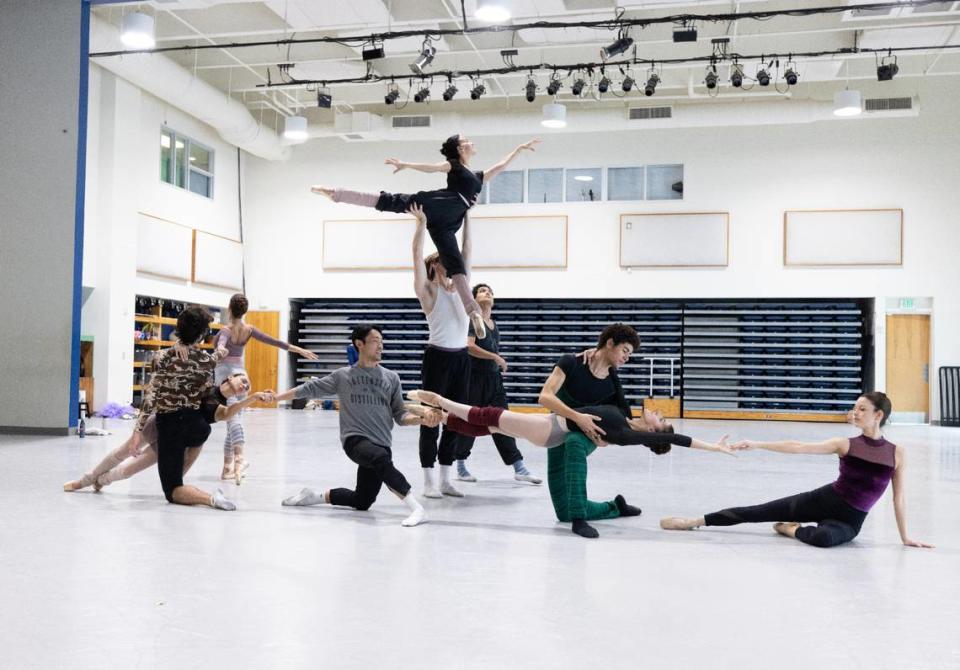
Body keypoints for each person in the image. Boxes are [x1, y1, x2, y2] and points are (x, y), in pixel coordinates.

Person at [311, 135, 540, 337]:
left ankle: (473, 313)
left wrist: (518, 149)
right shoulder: (455, 166)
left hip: (450, 220)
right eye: (466, 140)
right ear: (460, 149)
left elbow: (499, 167)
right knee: (396, 201)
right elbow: (433, 168)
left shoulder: (477, 175)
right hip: (444, 205)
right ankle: (337, 193)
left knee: (455, 264)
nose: (471, 142)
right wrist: (406, 164)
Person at [660, 392, 935, 549]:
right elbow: (799, 446)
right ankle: (694, 521)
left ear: (879, 415)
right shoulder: (845, 444)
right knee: (757, 511)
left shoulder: (896, 453)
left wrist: (905, 537)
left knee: (824, 539)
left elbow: (898, 498)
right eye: (855, 409)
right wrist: (758, 443)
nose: (855, 413)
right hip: (825, 499)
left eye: (862, 409)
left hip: (851, 520)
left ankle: (790, 530)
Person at [272, 325, 440, 527]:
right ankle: (417, 509)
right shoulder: (343, 376)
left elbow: (400, 414)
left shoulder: (391, 378)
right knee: (380, 459)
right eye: (375, 341)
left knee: (362, 501)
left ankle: (314, 496)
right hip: (355, 440)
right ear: (359, 344)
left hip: (381, 444)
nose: (381, 345)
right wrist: (276, 397)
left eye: (382, 341)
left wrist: (420, 420)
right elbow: (309, 388)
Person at [62, 374, 269, 492]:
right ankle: (86, 480)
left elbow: (231, 412)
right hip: (161, 422)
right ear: (231, 376)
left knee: (130, 469)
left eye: (246, 387)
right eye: (243, 379)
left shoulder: (221, 410)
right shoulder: (205, 383)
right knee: (123, 451)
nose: (244, 384)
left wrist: (253, 398)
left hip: (174, 439)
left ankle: (101, 482)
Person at [537, 324, 643, 539]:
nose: (627, 358)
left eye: (630, 354)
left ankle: (580, 521)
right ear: (610, 343)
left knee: (575, 443)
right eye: (625, 350)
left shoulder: (613, 382)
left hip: (587, 434)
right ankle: (615, 507)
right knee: (563, 512)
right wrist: (577, 417)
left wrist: (606, 439)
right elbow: (545, 397)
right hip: (559, 429)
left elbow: (624, 419)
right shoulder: (571, 362)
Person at [407, 389, 732, 455]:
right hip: (552, 424)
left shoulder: (627, 435)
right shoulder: (627, 420)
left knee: (491, 415)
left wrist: (713, 448)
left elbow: (678, 441)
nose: (658, 413)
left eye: (660, 420)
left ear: (652, 433)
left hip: (551, 429)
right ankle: (434, 419)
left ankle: (439, 401)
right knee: (489, 427)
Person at [402, 203, 473, 499]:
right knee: (431, 417)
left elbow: (467, 249)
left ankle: (446, 478)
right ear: (436, 265)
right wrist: (420, 225)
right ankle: (429, 480)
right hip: (438, 357)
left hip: (461, 358)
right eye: (446, 259)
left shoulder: (462, 286)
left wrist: (467, 214)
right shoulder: (428, 291)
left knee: (456, 419)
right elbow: (415, 258)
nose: (453, 262)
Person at [136, 306, 236, 510]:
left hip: (171, 425)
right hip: (197, 426)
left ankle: (210, 498)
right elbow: (210, 367)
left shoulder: (162, 358)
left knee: (172, 490)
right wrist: (219, 352)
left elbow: (151, 396)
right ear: (201, 334)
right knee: (178, 466)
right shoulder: (206, 361)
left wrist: (137, 431)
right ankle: (179, 476)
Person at [215, 293, 318, 481]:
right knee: (235, 418)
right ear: (244, 311)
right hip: (242, 377)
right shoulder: (249, 330)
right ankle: (227, 468)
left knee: (232, 418)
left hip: (226, 377)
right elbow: (276, 342)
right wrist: (300, 349)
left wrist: (221, 350)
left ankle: (239, 458)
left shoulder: (225, 330)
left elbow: (221, 345)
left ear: (229, 308)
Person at [454, 283, 540, 484]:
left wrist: (495, 363)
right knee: (470, 422)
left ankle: (519, 467)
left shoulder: (494, 324)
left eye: (490, 291)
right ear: (474, 298)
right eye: (483, 291)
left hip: (494, 381)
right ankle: (460, 465)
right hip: (473, 380)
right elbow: (469, 346)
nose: (488, 293)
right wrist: (495, 357)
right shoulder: (472, 320)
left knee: (504, 421)